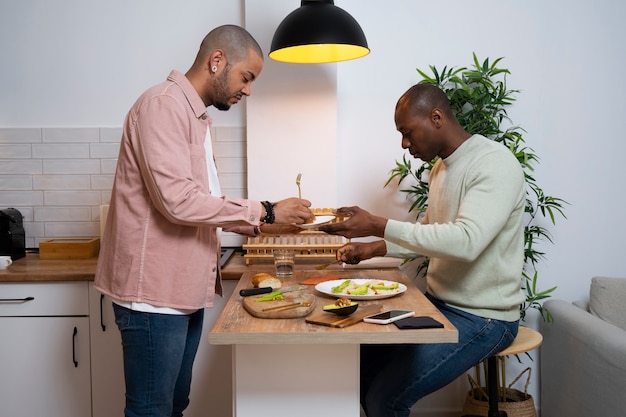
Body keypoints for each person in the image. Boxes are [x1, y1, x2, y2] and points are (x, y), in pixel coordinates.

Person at [95, 25, 313, 417]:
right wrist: (263, 209)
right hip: (153, 298)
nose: (248, 90)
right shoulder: (163, 106)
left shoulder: (196, 117)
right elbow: (177, 203)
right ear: (217, 61)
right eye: (246, 77)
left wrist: (265, 224)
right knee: (150, 410)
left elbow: (204, 206)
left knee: (174, 406)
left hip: (181, 291)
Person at [319, 83, 526, 417]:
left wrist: (377, 224)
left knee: (385, 399)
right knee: (360, 364)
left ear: (436, 117)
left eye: (407, 132)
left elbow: (465, 242)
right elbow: (431, 232)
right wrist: (374, 247)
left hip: (485, 318)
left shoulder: (494, 164)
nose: (403, 143)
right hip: (439, 304)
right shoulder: (440, 168)